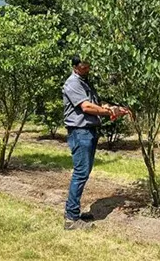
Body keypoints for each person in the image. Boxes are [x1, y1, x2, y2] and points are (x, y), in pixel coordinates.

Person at [63, 55, 128, 230]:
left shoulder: (84, 82)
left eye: (88, 66)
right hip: (80, 132)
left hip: (88, 131)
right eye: (84, 66)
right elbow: (87, 107)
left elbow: (96, 104)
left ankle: (73, 211)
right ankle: (71, 219)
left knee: (83, 172)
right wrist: (108, 113)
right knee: (81, 173)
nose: (87, 69)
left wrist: (112, 108)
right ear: (75, 67)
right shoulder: (73, 83)